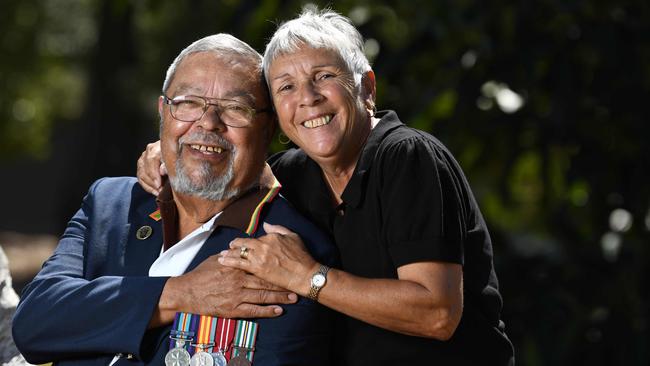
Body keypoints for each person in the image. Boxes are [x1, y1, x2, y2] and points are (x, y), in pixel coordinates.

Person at [138, 7, 515, 365]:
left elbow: (437, 314)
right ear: (276, 116)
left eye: (324, 77)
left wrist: (308, 277)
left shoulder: (407, 156)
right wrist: (168, 155)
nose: (307, 98)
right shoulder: (296, 172)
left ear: (366, 87)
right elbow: (227, 169)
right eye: (286, 87)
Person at [12, 34, 338, 366]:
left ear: (268, 128)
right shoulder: (110, 202)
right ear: (164, 112)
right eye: (188, 102)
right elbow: (33, 325)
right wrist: (178, 294)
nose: (208, 123)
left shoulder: (292, 256)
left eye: (235, 109)